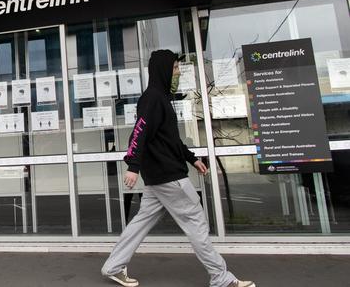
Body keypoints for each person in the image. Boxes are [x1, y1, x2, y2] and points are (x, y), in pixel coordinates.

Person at [101, 50, 254, 287]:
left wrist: (192, 158)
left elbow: (170, 140)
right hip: (169, 177)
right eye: (174, 68)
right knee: (196, 222)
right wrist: (133, 165)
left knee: (141, 221)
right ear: (163, 70)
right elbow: (139, 132)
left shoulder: (160, 99)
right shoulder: (153, 98)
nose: (178, 72)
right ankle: (221, 278)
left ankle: (113, 266)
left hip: (160, 178)